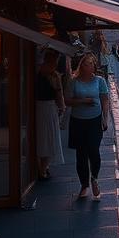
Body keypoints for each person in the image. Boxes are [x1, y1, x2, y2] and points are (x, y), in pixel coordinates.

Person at [65, 52, 109, 199]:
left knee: (94, 151)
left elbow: (104, 99)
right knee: (81, 154)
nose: (88, 67)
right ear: (81, 66)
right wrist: (84, 101)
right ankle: (84, 185)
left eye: (90, 64)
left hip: (94, 120)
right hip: (78, 121)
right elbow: (67, 100)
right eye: (85, 64)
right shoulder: (74, 81)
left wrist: (105, 118)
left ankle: (94, 178)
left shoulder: (100, 81)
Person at [36, 48, 66, 179]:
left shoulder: (40, 74)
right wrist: (62, 107)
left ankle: (43, 166)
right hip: (47, 108)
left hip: (42, 108)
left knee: (44, 137)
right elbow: (59, 94)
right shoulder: (53, 76)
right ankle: (43, 167)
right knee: (48, 137)